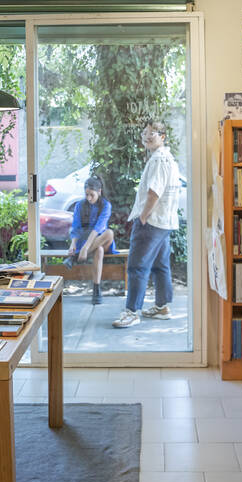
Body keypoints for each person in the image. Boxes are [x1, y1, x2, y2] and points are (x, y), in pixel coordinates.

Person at [113, 121, 181, 328]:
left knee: (136, 267)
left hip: (151, 222)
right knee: (160, 266)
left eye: (152, 133)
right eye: (145, 132)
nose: (147, 136)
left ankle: (132, 312)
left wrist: (143, 216)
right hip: (164, 223)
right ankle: (162, 307)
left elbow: (154, 192)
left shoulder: (159, 159)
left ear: (163, 136)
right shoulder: (168, 158)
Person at [65, 176, 116, 305]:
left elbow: (98, 229)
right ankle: (96, 289)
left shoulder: (106, 205)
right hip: (86, 242)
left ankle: (74, 258)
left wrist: (85, 249)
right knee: (98, 250)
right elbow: (76, 228)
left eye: (91, 195)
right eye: (86, 194)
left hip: (102, 240)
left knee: (109, 233)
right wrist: (73, 245)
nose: (89, 198)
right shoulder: (79, 205)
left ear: (99, 191)